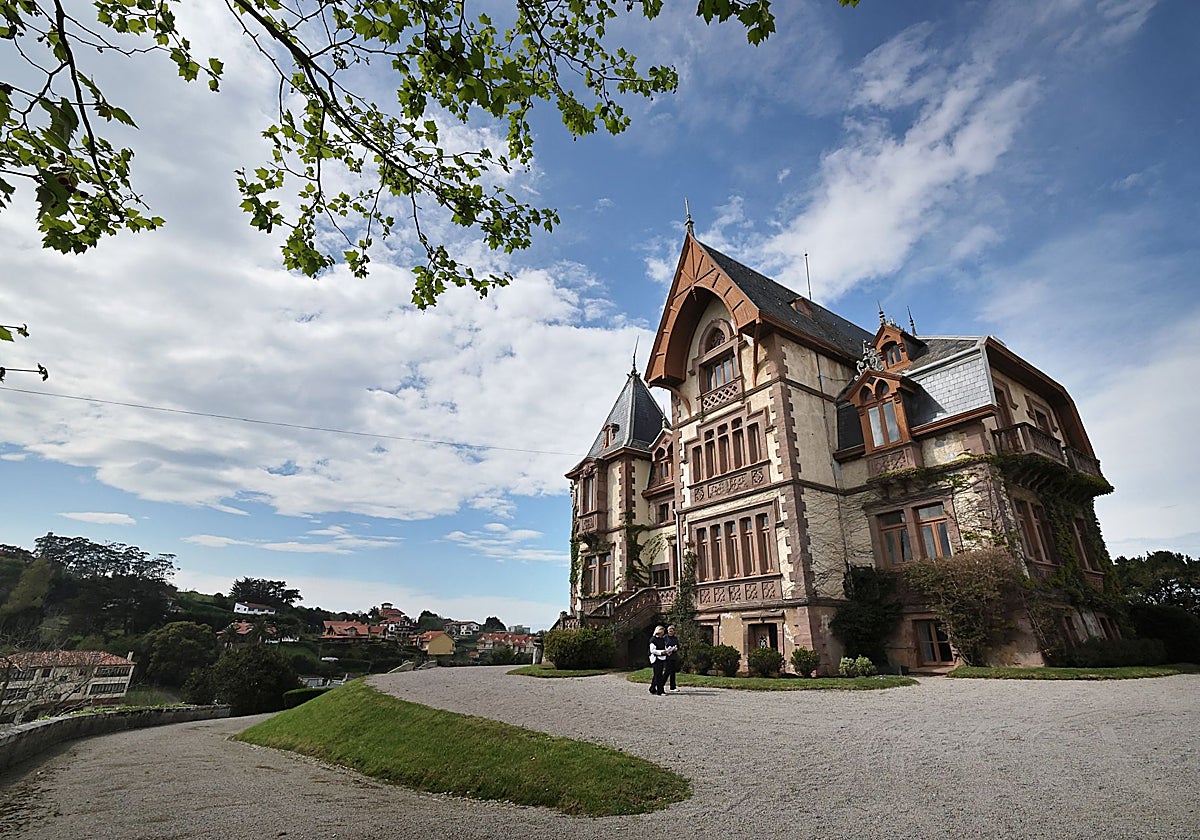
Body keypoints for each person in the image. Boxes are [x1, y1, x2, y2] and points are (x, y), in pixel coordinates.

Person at [648, 625, 671, 695]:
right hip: (655, 659)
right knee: (658, 675)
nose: (663, 632)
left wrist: (668, 651)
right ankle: (660, 691)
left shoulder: (662, 639)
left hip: (662, 658)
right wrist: (661, 652)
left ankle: (652, 688)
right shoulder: (653, 640)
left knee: (657, 675)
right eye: (662, 631)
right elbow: (652, 650)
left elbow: (664, 647)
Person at [664, 624, 682, 692]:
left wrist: (676, 648)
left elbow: (678, 646)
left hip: (673, 657)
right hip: (667, 657)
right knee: (667, 671)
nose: (670, 632)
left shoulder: (675, 638)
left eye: (672, 631)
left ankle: (673, 686)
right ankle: (661, 685)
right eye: (669, 631)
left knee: (673, 672)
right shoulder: (665, 638)